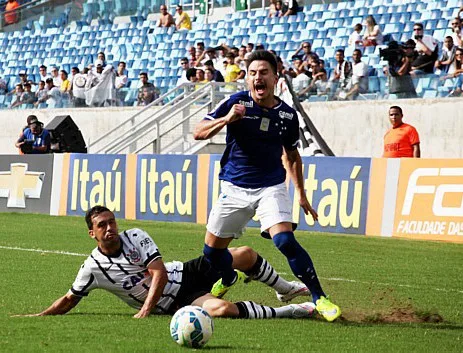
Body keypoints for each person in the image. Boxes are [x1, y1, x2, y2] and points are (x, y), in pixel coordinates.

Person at [192, 50, 341, 322]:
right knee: (212, 254)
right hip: (234, 187)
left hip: (271, 187)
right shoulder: (236, 103)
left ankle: (319, 297)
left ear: (275, 77)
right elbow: (198, 132)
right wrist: (227, 120)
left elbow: (293, 157)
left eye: (263, 73)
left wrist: (302, 196)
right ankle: (228, 276)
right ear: (247, 79)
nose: (257, 78)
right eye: (252, 73)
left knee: (284, 240)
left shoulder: (287, 115)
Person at [15, 206, 316, 320]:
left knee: (246, 253)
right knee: (221, 310)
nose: (110, 228)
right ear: (91, 233)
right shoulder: (92, 268)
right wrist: (40, 315)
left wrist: (144, 310)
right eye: (102, 225)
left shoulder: (135, 236)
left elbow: (157, 273)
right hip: (177, 302)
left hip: (182, 273)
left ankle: (286, 288)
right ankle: (288, 311)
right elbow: (70, 298)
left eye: (111, 222)